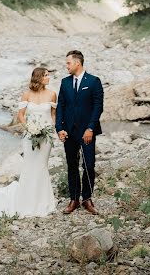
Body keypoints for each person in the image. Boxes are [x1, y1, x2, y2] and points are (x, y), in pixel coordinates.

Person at [0, 67, 56, 220]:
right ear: (39, 78)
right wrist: (30, 128)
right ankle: (26, 202)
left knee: (41, 166)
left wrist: (50, 129)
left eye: (48, 75)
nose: (49, 77)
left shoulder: (52, 94)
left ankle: (43, 202)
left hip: (46, 136)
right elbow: (21, 115)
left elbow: (53, 115)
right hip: (30, 135)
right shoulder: (27, 94)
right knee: (30, 166)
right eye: (46, 75)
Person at [56, 50, 104, 215]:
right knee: (72, 165)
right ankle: (74, 199)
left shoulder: (94, 81)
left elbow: (98, 107)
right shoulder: (65, 82)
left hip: (87, 132)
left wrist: (90, 128)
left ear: (77, 63)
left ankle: (87, 199)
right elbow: (60, 106)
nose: (66, 66)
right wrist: (59, 128)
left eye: (68, 63)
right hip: (68, 132)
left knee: (89, 165)